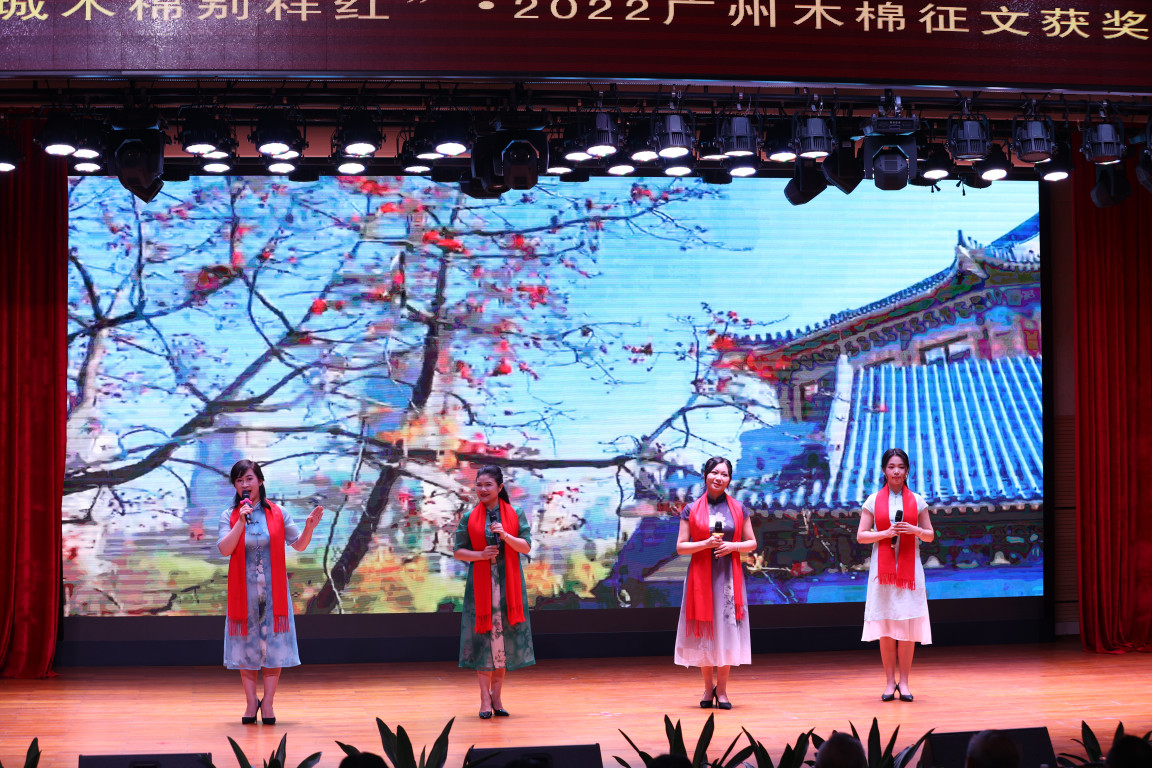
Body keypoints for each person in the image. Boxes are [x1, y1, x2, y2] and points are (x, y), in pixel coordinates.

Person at [217, 459, 324, 725]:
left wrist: (309, 528)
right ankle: (250, 702)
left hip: (273, 594)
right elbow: (224, 549)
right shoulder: (229, 515)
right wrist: (240, 522)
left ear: (260, 481)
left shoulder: (278, 513)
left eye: (249, 479)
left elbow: (298, 545)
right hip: (244, 594)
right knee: (246, 647)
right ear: (235, 485)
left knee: (272, 646)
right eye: (239, 480)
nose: (245, 484)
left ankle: (268, 703)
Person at [673, 456, 757, 709]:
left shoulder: (739, 508)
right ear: (705, 475)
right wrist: (705, 544)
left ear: (729, 479)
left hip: (728, 578)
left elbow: (752, 543)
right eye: (714, 473)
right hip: (701, 578)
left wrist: (732, 546)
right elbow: (681, 547)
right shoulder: (691, 509)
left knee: (726, 632)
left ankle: (722, 690)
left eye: (724, 474)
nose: (719, 478)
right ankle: (707, 688)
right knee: (706, 633)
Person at [453, 465, 535, 719]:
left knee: (503, 643)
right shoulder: (469, 517)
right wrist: (480, 555)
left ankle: (497, 697)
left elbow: (525, 547)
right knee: (484, 643)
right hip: (481, 589)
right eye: (479, 485)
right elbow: (458, 551)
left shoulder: (515, 514)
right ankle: (484, 698)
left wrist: (505, 535)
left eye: (488, 485)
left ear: (499, 487)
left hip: (508, 588)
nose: (482, 489)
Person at [856, 447, 934, 702]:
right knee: (887, 626)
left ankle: (905, 682)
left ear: (907, 470)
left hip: (910, 572)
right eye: (891, 467)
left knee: (907, 626)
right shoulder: (872, 500)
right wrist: (885, 533)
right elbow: (861, 536)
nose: (896, 471)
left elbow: (930, 535)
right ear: (884, 470)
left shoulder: (917, 500)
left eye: (901, 467)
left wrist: (914, 529)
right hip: (883, 572)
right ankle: (890, 683)